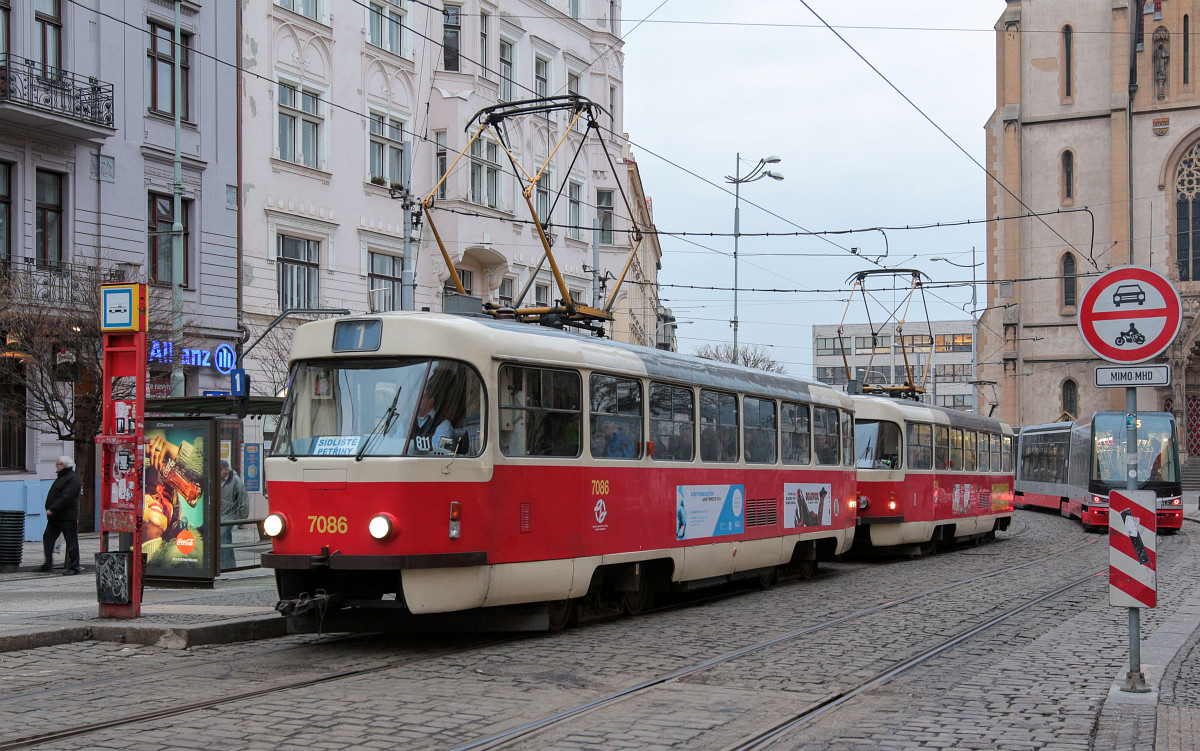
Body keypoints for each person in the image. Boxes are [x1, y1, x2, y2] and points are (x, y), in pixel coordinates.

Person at [41, 456, 82, 575]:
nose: (56, 466)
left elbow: (66, 496)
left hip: (67, 516)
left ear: (63, 465)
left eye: (58, 464)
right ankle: (48, 564)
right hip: (56, 517)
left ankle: (74, 567)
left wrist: (52, 508)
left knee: (71, 542)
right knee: (48, 537)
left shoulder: (72, 478)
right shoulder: (63, 476)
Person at [219, 458, 249, 571]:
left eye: (220, 470)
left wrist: (243, 518)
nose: (218, 472)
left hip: (230, 514)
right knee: (224, 539)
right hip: (220, 514)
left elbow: (243, 499)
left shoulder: (235, 480)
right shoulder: (218, 479)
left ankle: (226, 565)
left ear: (226, 470)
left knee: (223, 536)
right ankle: (228, 564)